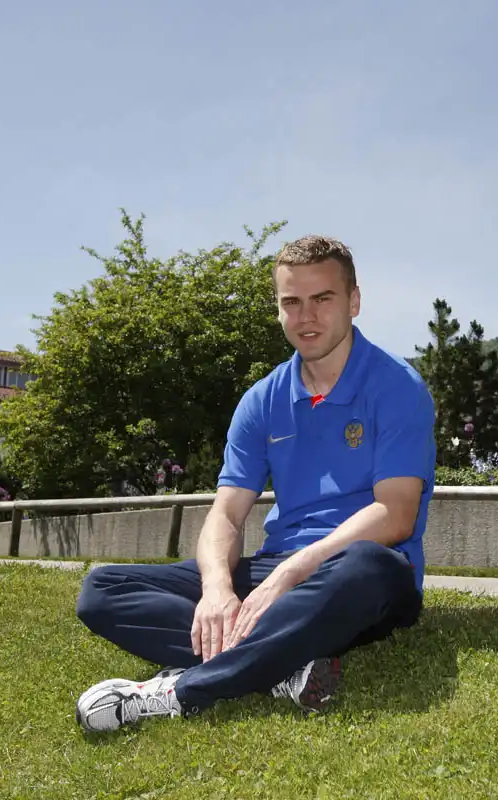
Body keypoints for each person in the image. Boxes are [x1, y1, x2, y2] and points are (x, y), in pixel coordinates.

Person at [73, 234, 437, 733]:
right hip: (277, 568)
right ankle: (280, 665)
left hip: (358, 574)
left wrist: (287, 577)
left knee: (367, 566)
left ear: (353, 301)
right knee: (102, 590)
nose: (306, 316)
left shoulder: (397, 387)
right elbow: (226, 513)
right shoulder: (262, 400)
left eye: (322, 299)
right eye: (291, 302)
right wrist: (218, 590)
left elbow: (395, 515)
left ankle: (181, 691)